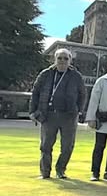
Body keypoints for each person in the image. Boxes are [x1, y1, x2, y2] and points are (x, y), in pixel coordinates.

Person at [29, 48, 86, 179]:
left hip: (69, 116)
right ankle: (45, 172)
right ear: (55, 59)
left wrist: (79, 110)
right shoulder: (45, 74)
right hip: (48, 115)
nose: (62, 61)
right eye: (59, 58)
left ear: (70, 60)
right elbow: (35, 93)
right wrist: (32, 111)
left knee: (67, 147)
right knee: (45, 146)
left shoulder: (76, 76)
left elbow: (83, 94)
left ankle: (60, 170)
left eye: (66, 58)